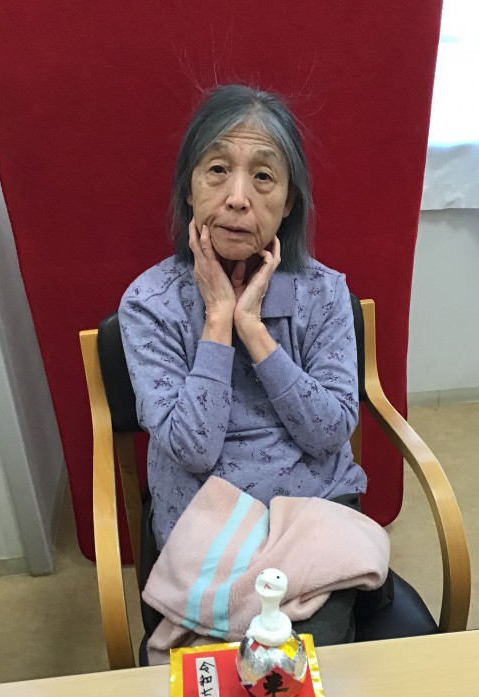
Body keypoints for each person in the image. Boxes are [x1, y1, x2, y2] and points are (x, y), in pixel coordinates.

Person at [119, 84, 373, 647]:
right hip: (204, 522)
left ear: (289, 201)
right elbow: (192, 449)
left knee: (306, 667)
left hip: (310, 514)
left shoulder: (323, 293)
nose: (238, 198)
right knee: (209, 683)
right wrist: (217, 319)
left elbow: (330, 430)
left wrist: (253, 329)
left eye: (263, 176)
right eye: (217, 170)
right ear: (189, 188)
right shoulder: (150, 303)